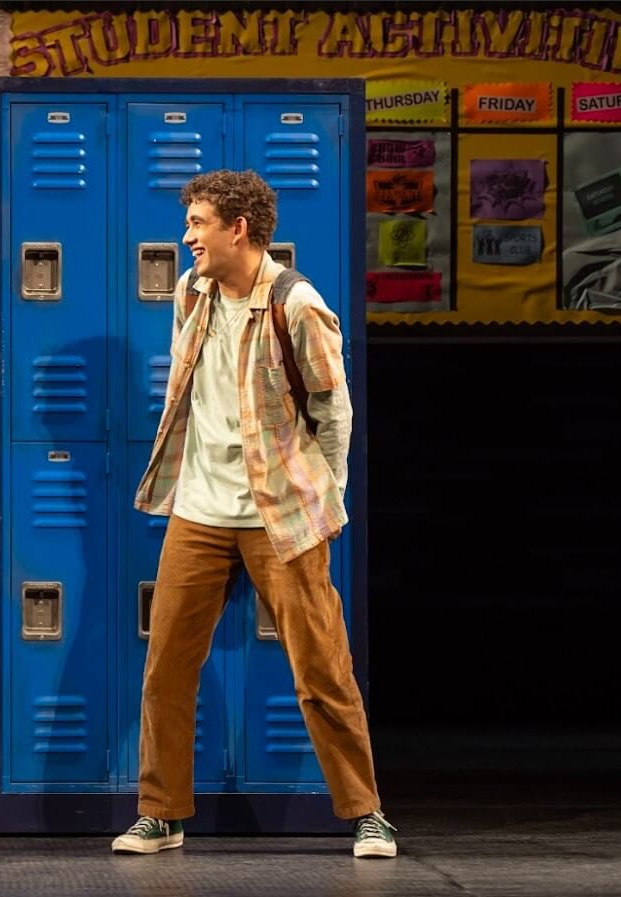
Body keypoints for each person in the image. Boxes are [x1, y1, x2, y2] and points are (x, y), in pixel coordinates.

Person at [114, 171, 397, 859]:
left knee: (320, 666)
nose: (187, 239)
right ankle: (161, 812)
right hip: (201, 508)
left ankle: (367, 812)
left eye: (199, 224)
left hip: (282, 514)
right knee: (167, 667)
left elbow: (334, 411)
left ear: (238, 229)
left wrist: (322, 498)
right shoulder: (191, 292)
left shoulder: (297, 304)